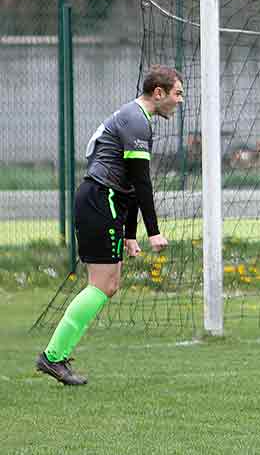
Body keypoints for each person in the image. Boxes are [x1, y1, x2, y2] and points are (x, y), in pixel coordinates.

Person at [35, 65, 184, 385]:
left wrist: (131, 235)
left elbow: (129, 183)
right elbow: (141, 184)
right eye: (178, 93)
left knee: (109, 285)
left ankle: (55, 356)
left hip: (107, 201)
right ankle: (53, 357)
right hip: (101, 201)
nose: (180, 100)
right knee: (102, 284)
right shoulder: (135, 121)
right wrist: (153, 231)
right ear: (159, 93)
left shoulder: (135, 118)